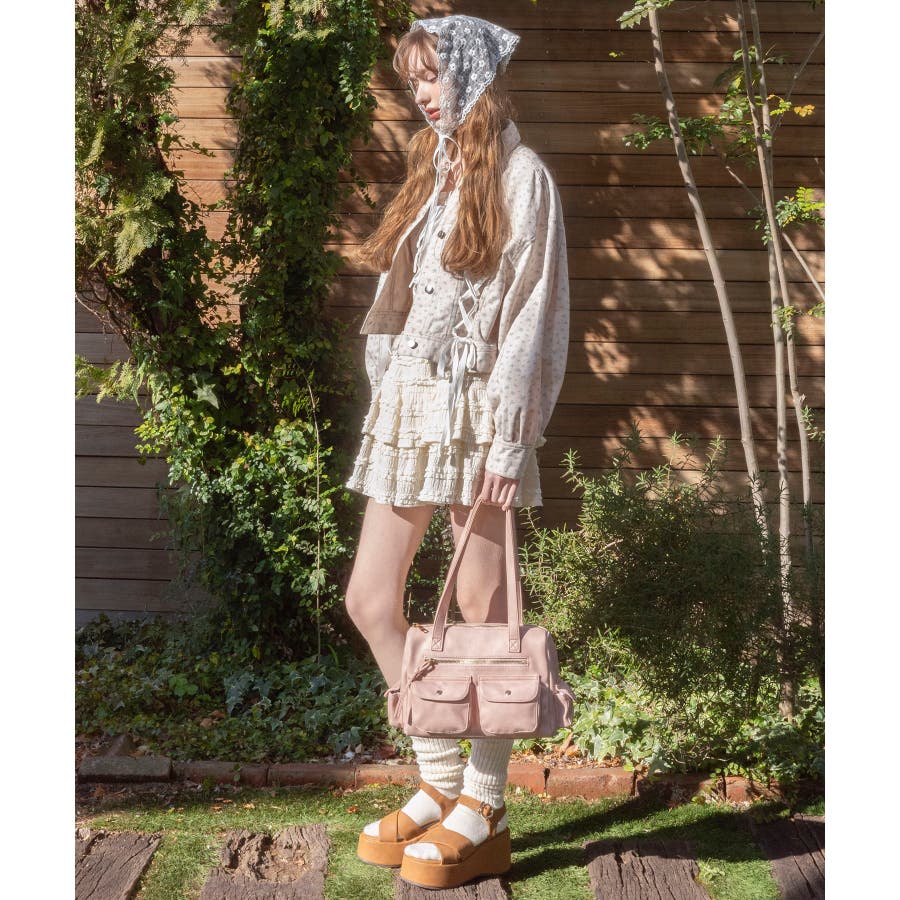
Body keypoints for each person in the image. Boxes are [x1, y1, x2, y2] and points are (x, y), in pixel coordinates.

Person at [343, 13, 569, 890]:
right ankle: (439, 782)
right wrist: (388, 377)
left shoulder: (523, 175)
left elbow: (533, 316)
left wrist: (511, 441)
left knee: (482, 615)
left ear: (473, 74)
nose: (424, 96)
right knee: (370, 599)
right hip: (411, 407)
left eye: (434, 76)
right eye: (414, 83)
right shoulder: (435, 170)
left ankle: (485, 804)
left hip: (480, 413)